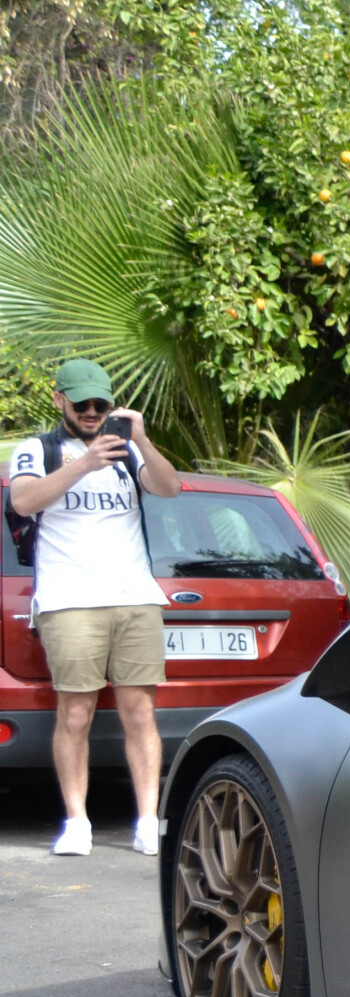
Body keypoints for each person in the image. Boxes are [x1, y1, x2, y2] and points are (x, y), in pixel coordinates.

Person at [5, 359, 180, 856]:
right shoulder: (38, 449)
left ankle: (148, 820)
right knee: (75, 713)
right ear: (59, 399)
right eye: (80, 403)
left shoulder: (127, 451)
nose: (91, 412)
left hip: (134, 597)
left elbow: (169, 488)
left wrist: (141, 441)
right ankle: (77, 821)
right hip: (69, 600)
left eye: (100, 404)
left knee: (140, 712)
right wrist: (83, 462)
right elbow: (22, 501)